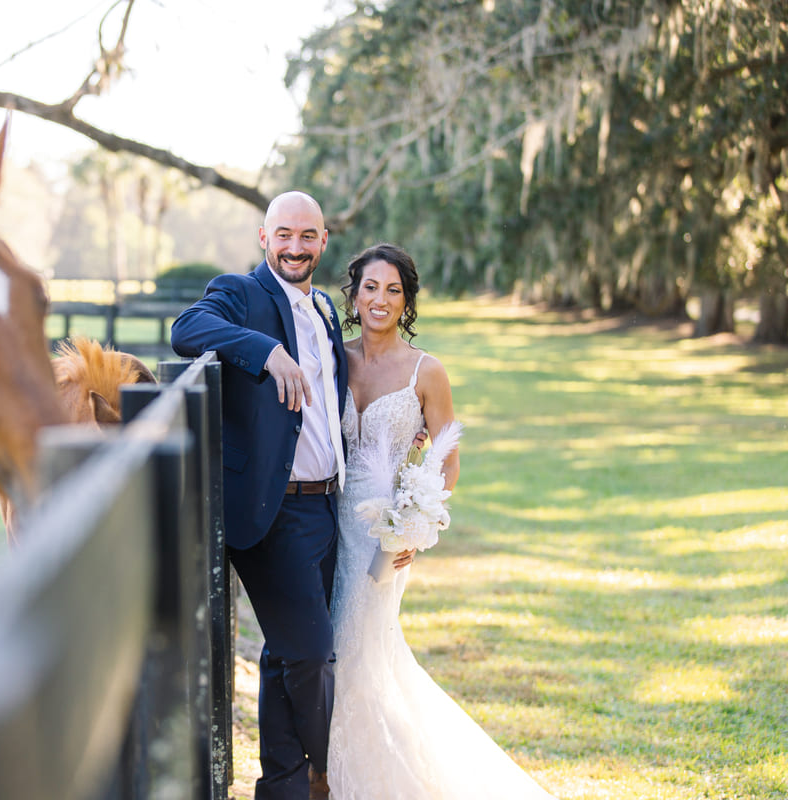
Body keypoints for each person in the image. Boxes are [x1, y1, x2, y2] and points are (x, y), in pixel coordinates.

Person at [327, 243, 556, 799]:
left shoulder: (426, 371)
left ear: (406, 302)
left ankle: (354, 782)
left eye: (394, 290)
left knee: (355, 649)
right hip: (325, 519)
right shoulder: (334, 356)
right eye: (371, 287)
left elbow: (447, 459)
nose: (380, 299)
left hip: (383, 537)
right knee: (332, 654)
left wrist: (414, 526)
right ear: (354, 294)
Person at [171, 191, 346, 800]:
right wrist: (266, 352)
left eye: (308, 236)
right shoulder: (241, 294)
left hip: (328, 505)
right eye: (284, 235)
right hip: (273, 512)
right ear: (264, 238)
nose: (295, 247)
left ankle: (281, 787)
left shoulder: (324, 307)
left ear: (324, 242)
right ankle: (335, 771)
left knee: (282, 655)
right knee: (312, 654)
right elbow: (186, 328)